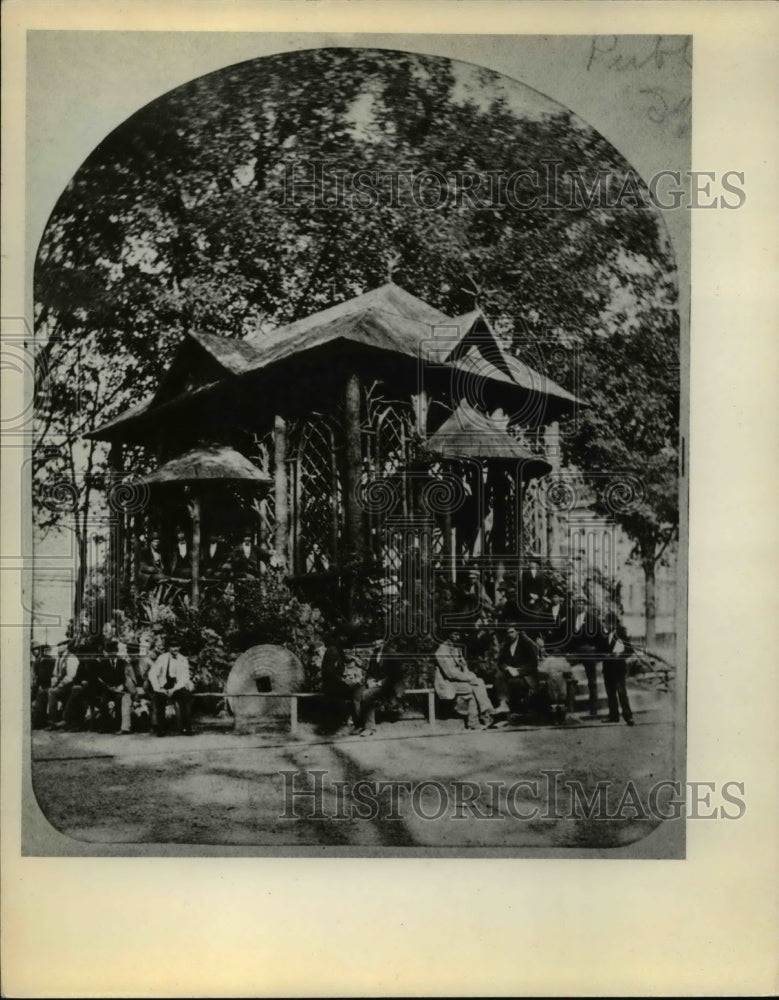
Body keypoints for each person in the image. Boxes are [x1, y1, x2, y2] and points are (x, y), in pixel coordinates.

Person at [434, 629, 495, 730]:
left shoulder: (457, 648)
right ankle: (481, 717)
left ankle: (484, 712)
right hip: (446, 683)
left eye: (459, 634)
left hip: (458, 681)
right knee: (471, 689)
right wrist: (469, 678)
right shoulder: (442, 650)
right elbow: (450, 674)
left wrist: (470, 675)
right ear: (448, 634)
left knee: (479, 681)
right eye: (455, 634)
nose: (457, 637)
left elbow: (463, 667)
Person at [565, 595, 608, 717]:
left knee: (592, 681)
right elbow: (565, 637)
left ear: (586, 605)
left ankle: (593, 708)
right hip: (575, 653)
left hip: (589, 652)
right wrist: (567, 651)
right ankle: (569, 708)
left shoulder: (593, 619)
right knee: (567, 675)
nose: (579, 605)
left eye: (582, 603)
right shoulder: (571, 619)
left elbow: (602, 637)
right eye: (577, 603)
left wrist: (597, 652)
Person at [356, 639, 406, 737]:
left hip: (390, 685)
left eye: (377, 641)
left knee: (367, 695)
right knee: (358, 692)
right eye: (373, 642)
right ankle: (359, 724)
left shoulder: (391, 653)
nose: (374, 644)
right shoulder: (374, 654)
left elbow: (395, 675)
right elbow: (370, 672)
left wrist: (380, 683)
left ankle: (369, 728)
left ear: (383, 642)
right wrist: (369, 681)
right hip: (377, 684)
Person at [320, 629, 364, 732]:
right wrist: (344, 681)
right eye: (342, 637)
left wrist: (354, 660)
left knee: (358, 689)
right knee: (357, 690)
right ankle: (357, 723)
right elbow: (329, 673)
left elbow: (345, 661)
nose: (344, 639)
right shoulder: (332, 650)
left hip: (336, 683)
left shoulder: (338, 649)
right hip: (331, 685)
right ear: (336, 638)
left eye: (346, 637)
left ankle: (355, 722)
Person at [148, 640, 194, 736]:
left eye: (177, 646)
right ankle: (161, 729)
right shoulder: (162, 658)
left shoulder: (183, 659)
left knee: (186, 696)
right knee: (158, 699)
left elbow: (184, 677)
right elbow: (152, 674)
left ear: (180, 647)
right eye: (172, 646)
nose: (175, 649)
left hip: (176, 687)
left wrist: (174, 689)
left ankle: (187, 727)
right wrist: (159, 688)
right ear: (168, 648)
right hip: (163, 686)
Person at [494, 625, 541, 714]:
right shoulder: (506, 645)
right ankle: (503, 702)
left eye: (512, 632)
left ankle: (520, 708)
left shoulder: (526, 644)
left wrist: (518, 671)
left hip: (525, 674)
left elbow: (533, 664)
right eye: (508, 633)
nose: (510, 635)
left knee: (515, 682)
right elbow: (500, 662)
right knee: (499, 676)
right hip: (510, 671)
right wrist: (507, 668)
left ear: (517, 632)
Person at [601, 611, 635, 726]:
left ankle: (628, 716)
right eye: (606, 623)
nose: (607, 626)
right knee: (610, 692)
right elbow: (601, 649)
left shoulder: (621, 634)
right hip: (607, 668)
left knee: (621, 692)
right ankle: (613, 715)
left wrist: (619, 656)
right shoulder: (605, 634)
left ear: (614, 624)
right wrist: (604, 655)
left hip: (618, 668)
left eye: (609, 624)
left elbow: (630, 650)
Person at [45, 641, 81, 728]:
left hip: (70, 685)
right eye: (58, 645)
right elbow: (55, 674)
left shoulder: (71, 657)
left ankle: (53, 720)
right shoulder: (59, 659)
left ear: (66, 646)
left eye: (62, 645)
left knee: (53, 693)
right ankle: (51, 719)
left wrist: (60, 685)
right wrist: (53, 684)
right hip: (61, 686)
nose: (59, 647)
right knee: (49, 691)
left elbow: (70, 676)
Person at [31, 643, 56, 729]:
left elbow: (42, 675)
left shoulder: (43, 660)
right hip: (46, 685)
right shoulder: (46, 660)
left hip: (46, 685)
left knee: (40, 700)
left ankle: (39, 722)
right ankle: (39, 721)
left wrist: (39, 685)